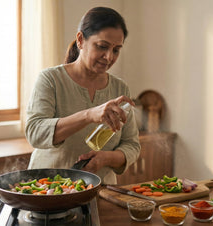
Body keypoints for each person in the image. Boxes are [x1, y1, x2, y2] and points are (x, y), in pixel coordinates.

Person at [25, 7, 140, 184]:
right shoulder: (51, 79)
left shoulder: (120, 88)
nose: (109, 57)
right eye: (102, 46)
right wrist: (89, 115)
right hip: (47, 191)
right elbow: (35, 132)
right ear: (80, 40)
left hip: (100, 191)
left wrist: (106, 158)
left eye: (116, 50)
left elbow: (132, 145)